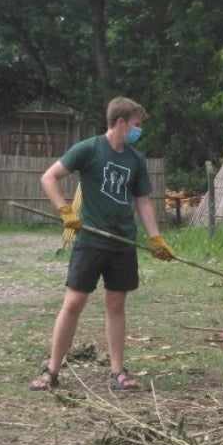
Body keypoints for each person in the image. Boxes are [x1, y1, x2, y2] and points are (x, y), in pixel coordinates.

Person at [29, 96, 176, 392]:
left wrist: (155, 237)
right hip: (91, 241)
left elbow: (143, 200)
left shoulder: (135, 159)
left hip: (122, 242)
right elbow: (49, 177)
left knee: (116, 303)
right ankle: (51, 370)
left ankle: (118, 372)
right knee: (74, 302)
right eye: (136, 124)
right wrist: (64, 210)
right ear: (121, 123)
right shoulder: (89, 149)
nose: (138, 130)